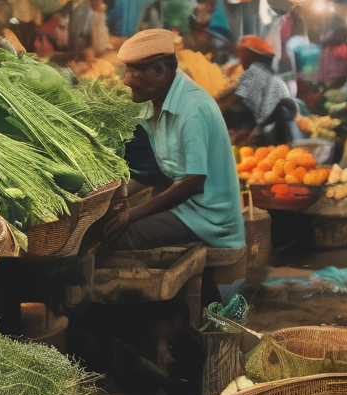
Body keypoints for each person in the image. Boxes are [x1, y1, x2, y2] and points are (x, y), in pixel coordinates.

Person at [103, 29, 245, 252]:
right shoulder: (156, 102)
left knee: (119, 236)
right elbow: (160, 171)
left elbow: (193, 182)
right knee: (107, 223)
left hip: (207, 218)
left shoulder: (193, 108)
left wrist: (131, 215)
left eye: (133, 73)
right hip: (185, 208)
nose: (126, 81)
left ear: (159, 70)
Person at [221, 34, 298, 146]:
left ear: (248, 55)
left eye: (241, 54)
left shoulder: (257, 78)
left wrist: (247, 130)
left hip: (269, 143)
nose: (240, 59)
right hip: (275, 141)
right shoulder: (267, 77)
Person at [317, 22, 347, 88]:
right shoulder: (328, 48)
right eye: (341, 35)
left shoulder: (345, 48)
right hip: (331, 79)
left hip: (342, 78)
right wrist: (325, 80)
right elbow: (324, 65)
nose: (342, 37)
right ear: (337, 34)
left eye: (345, 36)